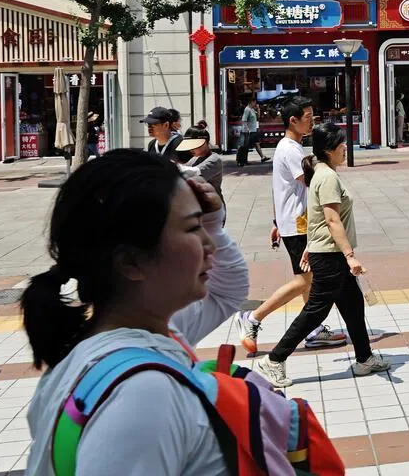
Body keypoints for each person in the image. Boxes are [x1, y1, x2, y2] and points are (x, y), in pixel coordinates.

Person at [20, 150, 250, 474]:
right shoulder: (143, 394)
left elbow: (230, 291)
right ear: (131, 262)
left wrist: (211, 223)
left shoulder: (121, 339)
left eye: (205, 226)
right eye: (191, 228)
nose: (209, 244)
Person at [258, 124, 389, 387]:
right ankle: (274, 359)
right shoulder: (327, 176)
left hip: (326, 251)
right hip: (331, 255)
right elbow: (331, 219)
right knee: (316, 311)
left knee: (353, 305)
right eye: (341, 145)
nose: (345, 148)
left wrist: (310, 245)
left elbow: (316, 216)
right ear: (329, 149)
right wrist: (350, 255)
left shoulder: (322, 171)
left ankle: (364, 358)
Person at [235, 96, 344, 354]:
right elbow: (311, 182)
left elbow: (280, 189)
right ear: (292, 121)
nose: (312, 123)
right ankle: (253, 317)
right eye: (308, 119)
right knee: (304, 280)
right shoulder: (291, 149)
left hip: (293, 222)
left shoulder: (288, 147)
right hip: (300, 224)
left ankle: (314, 330)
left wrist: (276, 220)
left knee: (309, 279)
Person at [178, 127, 223, 197]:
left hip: (213, 204)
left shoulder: (215, 159)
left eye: (194, 145)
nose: (191, 149)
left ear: (204, 142)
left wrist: (173, 166)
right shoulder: (195, 158)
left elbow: (193, 172)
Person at [237, 96, 268, 167]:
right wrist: (246, 129)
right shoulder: (247, 110)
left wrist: (258, 109)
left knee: (248, 146)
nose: (255, 104)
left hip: (253, 130)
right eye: (254, 102)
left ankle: (245, 160)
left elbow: (258, 117)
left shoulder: (251, 110)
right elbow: (244, 120)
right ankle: (242, 161)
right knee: (244, 147)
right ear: (251, 102)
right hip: (249, 131)